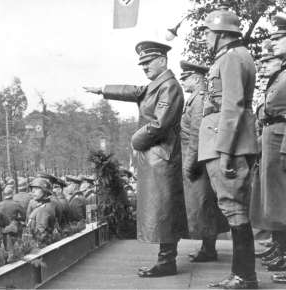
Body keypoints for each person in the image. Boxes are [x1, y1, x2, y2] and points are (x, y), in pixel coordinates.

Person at [84, 40, 188, 277]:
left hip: (162, 156)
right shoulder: (158, 85)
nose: (144, 67)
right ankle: (166, 260)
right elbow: (136, 91)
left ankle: (167, 262)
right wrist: (102, 89)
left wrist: (135, 140)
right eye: (142, 63)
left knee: (165, 210)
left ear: (162, 60)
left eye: (148, 62)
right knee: (162, 209)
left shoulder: (169, 86)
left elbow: (160, 123)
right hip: (157, 156)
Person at [198, 8, 258, 289]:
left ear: (221, 34)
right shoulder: (235, 56)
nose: (206, 37)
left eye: (208, 32)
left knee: (234, 209)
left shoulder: (233, 58)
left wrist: (224, 152)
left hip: (228, 145)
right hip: (229, 142)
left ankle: (244, 276)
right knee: (233, 208)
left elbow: (232, 105)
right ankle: (241, 275)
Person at [179, 60, 229, 262]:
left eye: (185, 78)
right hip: (199, 158)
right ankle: (207, 248)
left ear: (195, 78)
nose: (183, 82)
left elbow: (196, 135)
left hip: (198, 160)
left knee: (204, 205)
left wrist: (190, 163)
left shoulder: (198, 99)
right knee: (203, 205)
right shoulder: (194, 98)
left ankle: (209, 250)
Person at [251, 14, 286, 283]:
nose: (273, 44)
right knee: (274, 199)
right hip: (272, 136)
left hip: (281, 137)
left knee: (281, 198)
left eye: (279, 39)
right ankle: (280, 249)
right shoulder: (280, 76)